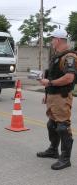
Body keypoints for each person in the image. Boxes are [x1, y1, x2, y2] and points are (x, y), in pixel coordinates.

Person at [37, 29, 77, 170]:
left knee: (62, 127)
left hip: (62, 96)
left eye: (52, 39)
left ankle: (65, 159)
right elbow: (52, 75)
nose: (51, 41)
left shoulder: (69, 56)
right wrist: (47, 93)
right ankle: (53, 150)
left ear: (58, 40)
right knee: (51, 125)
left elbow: (69, 78)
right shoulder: (57, 55)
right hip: (53, 95)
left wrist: (49, 83)